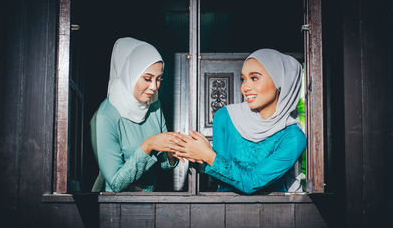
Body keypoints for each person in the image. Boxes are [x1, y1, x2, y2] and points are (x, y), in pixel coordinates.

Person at [171, 49, 306, 194]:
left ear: (281, 80)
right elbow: (220, 178)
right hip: (224, 208)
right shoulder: (225, 117)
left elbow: (253, 182)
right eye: (243, 79)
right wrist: (199, 154)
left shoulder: (293, 137)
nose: (245, 88)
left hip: (272, 211)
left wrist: (208, 155)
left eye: (254, 78)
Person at [90, 37, 179, 192]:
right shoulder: (106, 116)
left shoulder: (154, 107)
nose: (154, 87)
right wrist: (148, 145)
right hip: (114, 208)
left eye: (158, 79)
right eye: (147, 78)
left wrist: (173, 152)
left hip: (149, 203)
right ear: (129, 74)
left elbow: (164, 164)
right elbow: (116, 183)